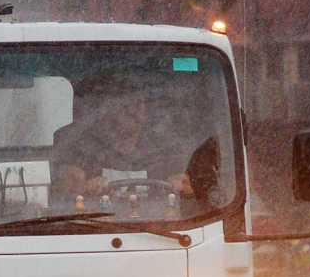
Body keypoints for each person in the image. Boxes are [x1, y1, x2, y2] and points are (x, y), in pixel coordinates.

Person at [50, 76, 202, 207]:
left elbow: (196, 191)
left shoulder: (166, 148)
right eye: (126, 103)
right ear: (107, 108)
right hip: (93, 227)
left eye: (140, 102)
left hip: (163, 227)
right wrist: (84, 188)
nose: (134, 110)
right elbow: (61, 195)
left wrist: (181, 185)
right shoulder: (78, 147)